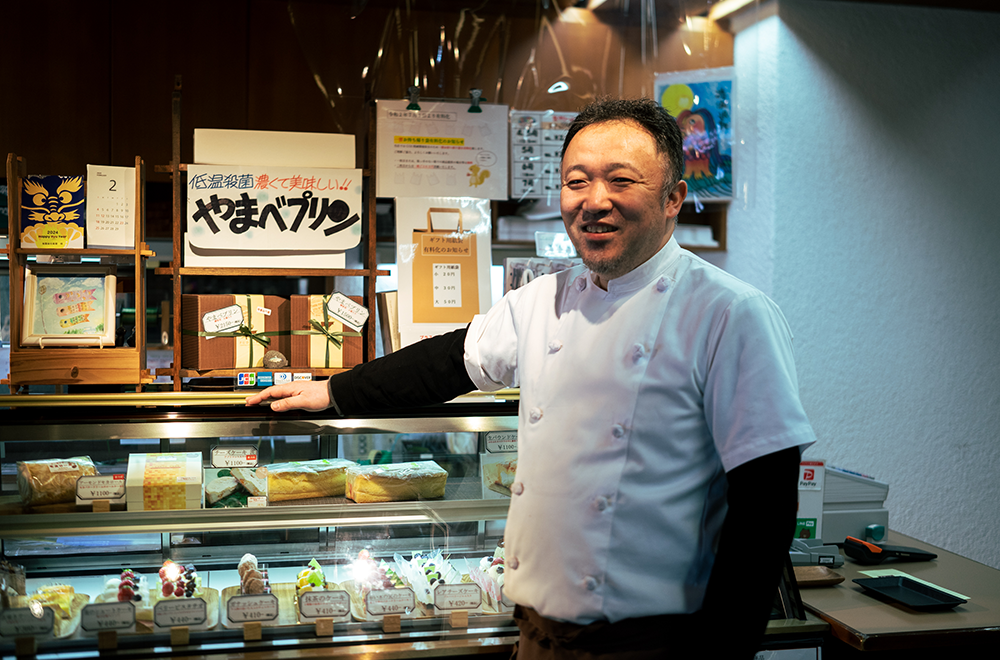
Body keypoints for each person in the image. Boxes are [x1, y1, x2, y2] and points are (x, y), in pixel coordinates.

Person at [247, 96, 816, 658]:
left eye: (621, 180)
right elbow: (445, 362)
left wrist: (720, 654)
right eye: (576, 182)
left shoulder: (729, 313)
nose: (594, 202)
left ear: (673, 199)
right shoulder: (544, 298)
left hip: (653, 642)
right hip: (536, 634)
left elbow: (764, 506)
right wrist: (335, 391)